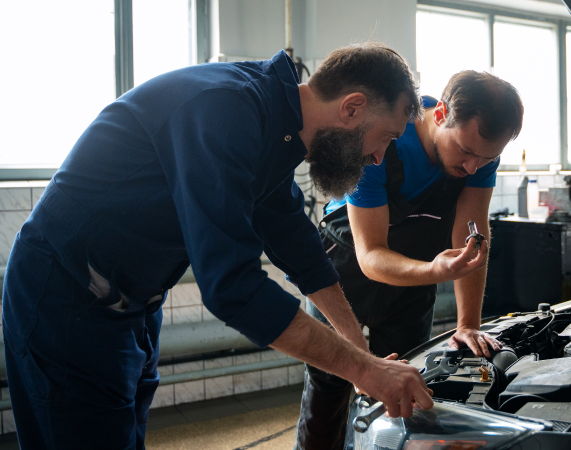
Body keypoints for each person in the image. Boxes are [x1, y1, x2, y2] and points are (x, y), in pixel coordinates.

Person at [1, 43, 433, 450]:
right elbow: (233, 287)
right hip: (64, 296)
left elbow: (300, 250)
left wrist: (359, 348)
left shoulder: (277, 130)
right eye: (387, 137)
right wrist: (364, 370)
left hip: (131, 304)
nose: (380, 157)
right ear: (351, 107)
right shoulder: (227, 110)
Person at [296, 70, 524, 450]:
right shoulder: (382, 141)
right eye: (466, 152)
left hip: (412, 278)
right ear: (441, 115)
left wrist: (468, 324)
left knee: (408, 387)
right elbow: (370, 255)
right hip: (346, 268)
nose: (473, 167)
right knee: (330, 386)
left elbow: (472, 238)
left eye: (487, 159)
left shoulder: (480, 157)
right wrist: (434, 270)